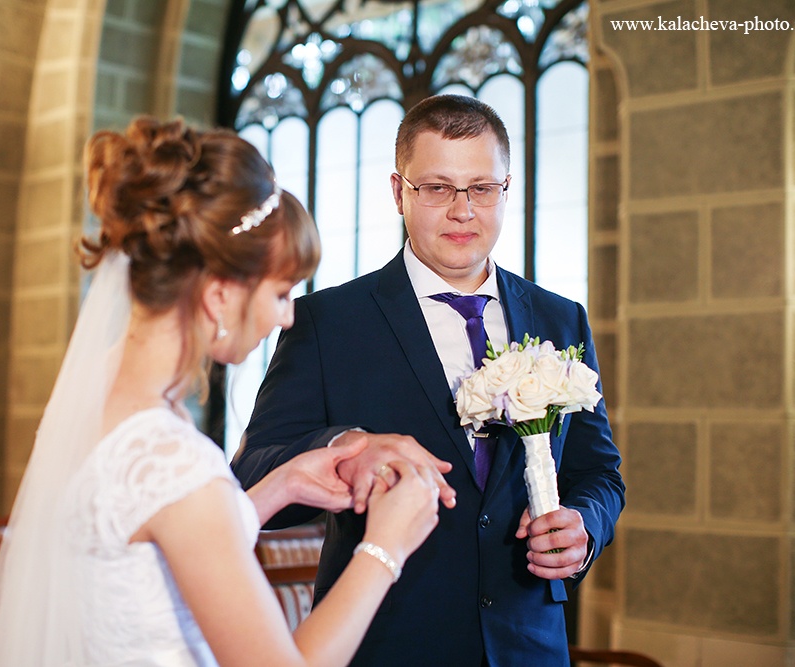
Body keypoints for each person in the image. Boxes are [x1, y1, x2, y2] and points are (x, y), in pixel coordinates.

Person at [0, 116, 442, 667]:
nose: (287, 318)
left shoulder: (104, 400)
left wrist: (283, 484)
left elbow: (154, 541)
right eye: (280, 293)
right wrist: (385, 546)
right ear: (219, 295)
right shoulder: (174, 459)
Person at [231, 94, 625, 666]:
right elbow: (253, 471)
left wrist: (584, 526)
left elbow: (599, 472)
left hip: (529, 647)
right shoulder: (327, 322)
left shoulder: (560, 319)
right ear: (399, 192)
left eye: (482, 188)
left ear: (505, 189)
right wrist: (347, 448)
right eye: (438, 188)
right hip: (389, 645)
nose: (463, 211)